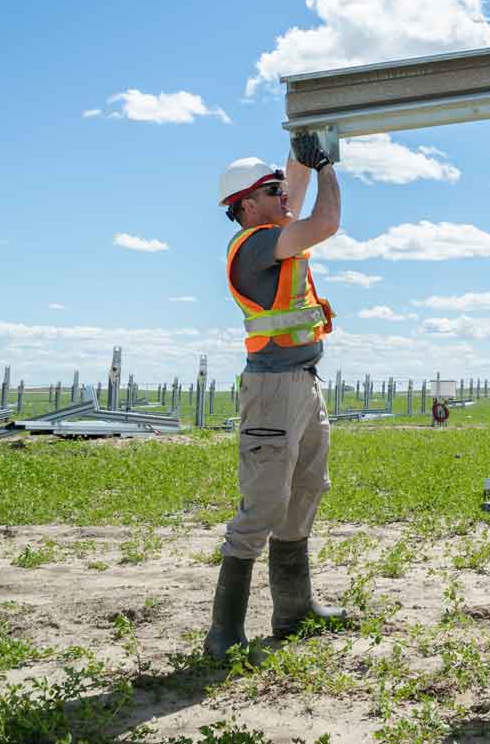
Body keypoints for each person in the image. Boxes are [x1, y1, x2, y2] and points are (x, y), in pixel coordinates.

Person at [204, 132, 345, 659]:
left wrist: (303, 144)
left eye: (280, 185)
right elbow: (326, 221)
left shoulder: (277, 229)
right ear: (245, 205)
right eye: (272, 189)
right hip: (272, 391)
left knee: (305, 492)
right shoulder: (256, 243)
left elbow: (298, 184)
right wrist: (326, 165)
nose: (283, 194)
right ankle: (225, 634)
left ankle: (293, 611)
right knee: (262, 505)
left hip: (303, 383)